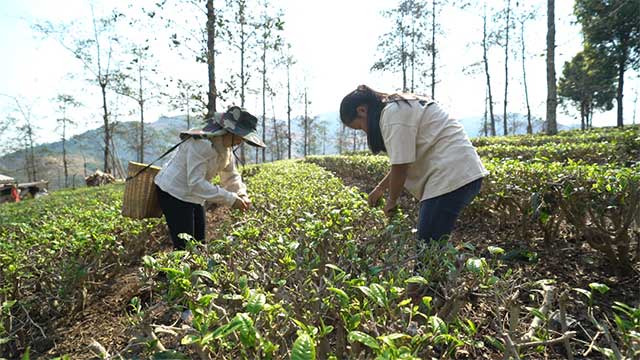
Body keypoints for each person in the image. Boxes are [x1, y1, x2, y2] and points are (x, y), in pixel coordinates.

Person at [339, 85, 488, 263]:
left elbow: (401, 167)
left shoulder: (392, 114)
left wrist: (391, 203)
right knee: (432, 246)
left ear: (362, 110)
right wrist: (380, 188)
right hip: (458, 172)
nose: (364, 131)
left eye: (359, 126)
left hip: (450, 175)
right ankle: (444, 277)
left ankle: (424, 289)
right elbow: (401, 162)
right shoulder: (398, 107)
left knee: (426, 252)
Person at [154, 106, 265, 250]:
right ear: (228, 131)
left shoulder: (225, 149)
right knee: (184, 247)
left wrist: (241, 194)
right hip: (174, 192)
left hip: (193, 194)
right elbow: (195, 183)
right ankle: (165, 272)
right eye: (240, 136)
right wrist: (230, 199)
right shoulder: (201, 144)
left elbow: (230, 175)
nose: (240, 141)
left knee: (199, 244)